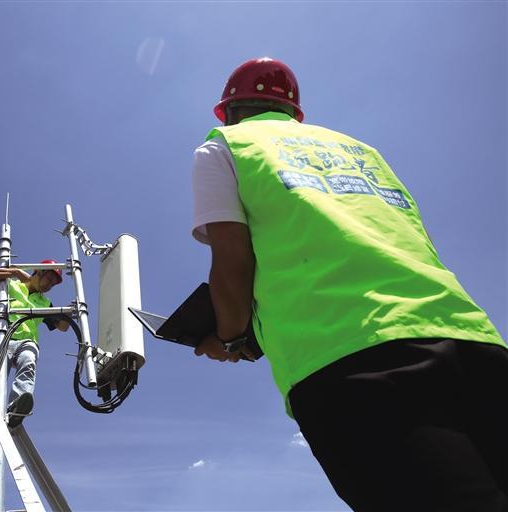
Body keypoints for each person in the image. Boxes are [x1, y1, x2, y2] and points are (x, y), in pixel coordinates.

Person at [191, 57, 508, 511]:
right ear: (293, 111)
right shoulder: (362, 151)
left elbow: (233, 261)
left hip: (351, 358)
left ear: (231, 110)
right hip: (470, 338)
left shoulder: (225, 146)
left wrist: (230, 337)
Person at [0, 260, 68, 428]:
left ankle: (16, 407)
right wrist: (15, 272)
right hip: (3, 337)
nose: (49, 285)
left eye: (53, 284)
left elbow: (62, 327)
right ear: (39, 271)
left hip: (27, 341)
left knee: (28, 361)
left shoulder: (45, 303)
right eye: (49, 279)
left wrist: (69, 314)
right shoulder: (10, 284)